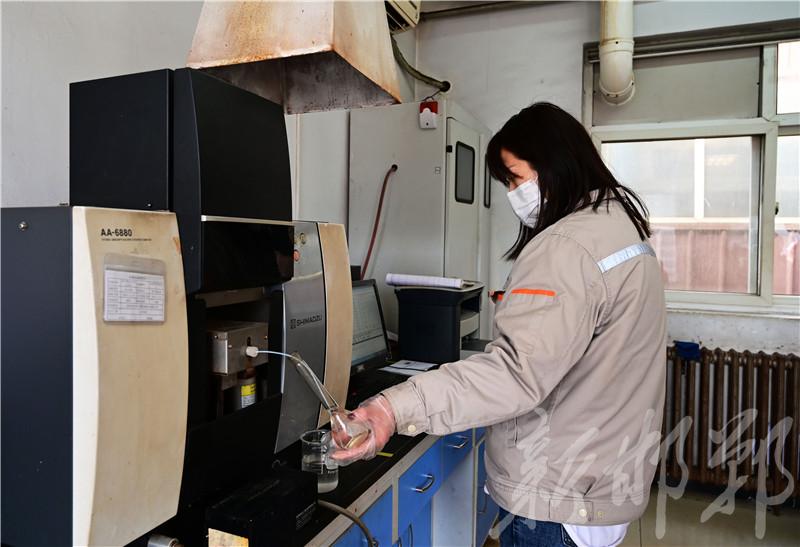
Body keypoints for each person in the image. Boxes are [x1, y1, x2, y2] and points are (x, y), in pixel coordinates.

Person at [333, 102, 667, 547]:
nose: (513, 194)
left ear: (554, 162)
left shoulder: (567, 246)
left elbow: (514, 374)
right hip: (598, 483)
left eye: (514, 178)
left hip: (556, 500)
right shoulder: (621, 229)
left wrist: (392, 408)